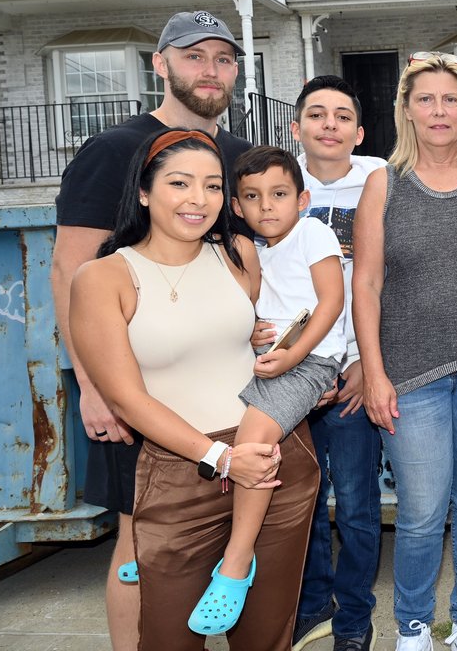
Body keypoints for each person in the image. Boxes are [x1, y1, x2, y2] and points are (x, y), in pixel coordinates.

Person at [68, 128, 317, 650]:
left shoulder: (238, 253)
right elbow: (125, 399)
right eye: (180, 183)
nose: (198, 200)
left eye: (211, 186)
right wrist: (223, 458)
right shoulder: (103, 277)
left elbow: (258, 337)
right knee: (168, 639)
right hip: (180, 468)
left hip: (272, 461)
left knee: (267, 637)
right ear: (143, 191)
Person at [49, 9, 250, 651]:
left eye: (222, 58)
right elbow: (69, 268)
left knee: (225, 552)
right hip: (138, 393)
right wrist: (93, 385)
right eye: (194, 57)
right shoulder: (114, 152)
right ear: (160, 65)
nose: (210, 71)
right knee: (139, 548)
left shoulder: (240, 158)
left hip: (224, 397)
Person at [354, 51, 457, 651]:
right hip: (410, 372)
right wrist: (374, 373)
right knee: (421, 511)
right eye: (426, 99)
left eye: (451, 99)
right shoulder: (383, 184)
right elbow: (365, 283)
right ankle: (414, 624)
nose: (439, 110)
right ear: (407, 110)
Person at [178, 144, 345, 636]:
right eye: (252, 196)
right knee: (207, 428)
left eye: (278, 194)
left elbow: (332, 301)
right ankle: (174, 551)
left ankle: (236, 561)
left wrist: (294, 356)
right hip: (270, 360)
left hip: (309, 362)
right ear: (236, 205)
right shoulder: (253, 251)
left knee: (251, 441)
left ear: (303, 198)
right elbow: (255, 309)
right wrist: (254, 331)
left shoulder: (313, 233)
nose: (266, 206)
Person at [286, 76, 386, 651]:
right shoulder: (276, 183)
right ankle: (310, 607)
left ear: (359, 131)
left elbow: (387, 281)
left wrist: (368, 365)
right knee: (299, 502)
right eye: (317, 115)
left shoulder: (378, 181)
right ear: (297, 126)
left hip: (353, 372)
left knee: (355, 506)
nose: (330, 125)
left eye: (342, 116)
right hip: (293, 377)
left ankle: (354, 617)